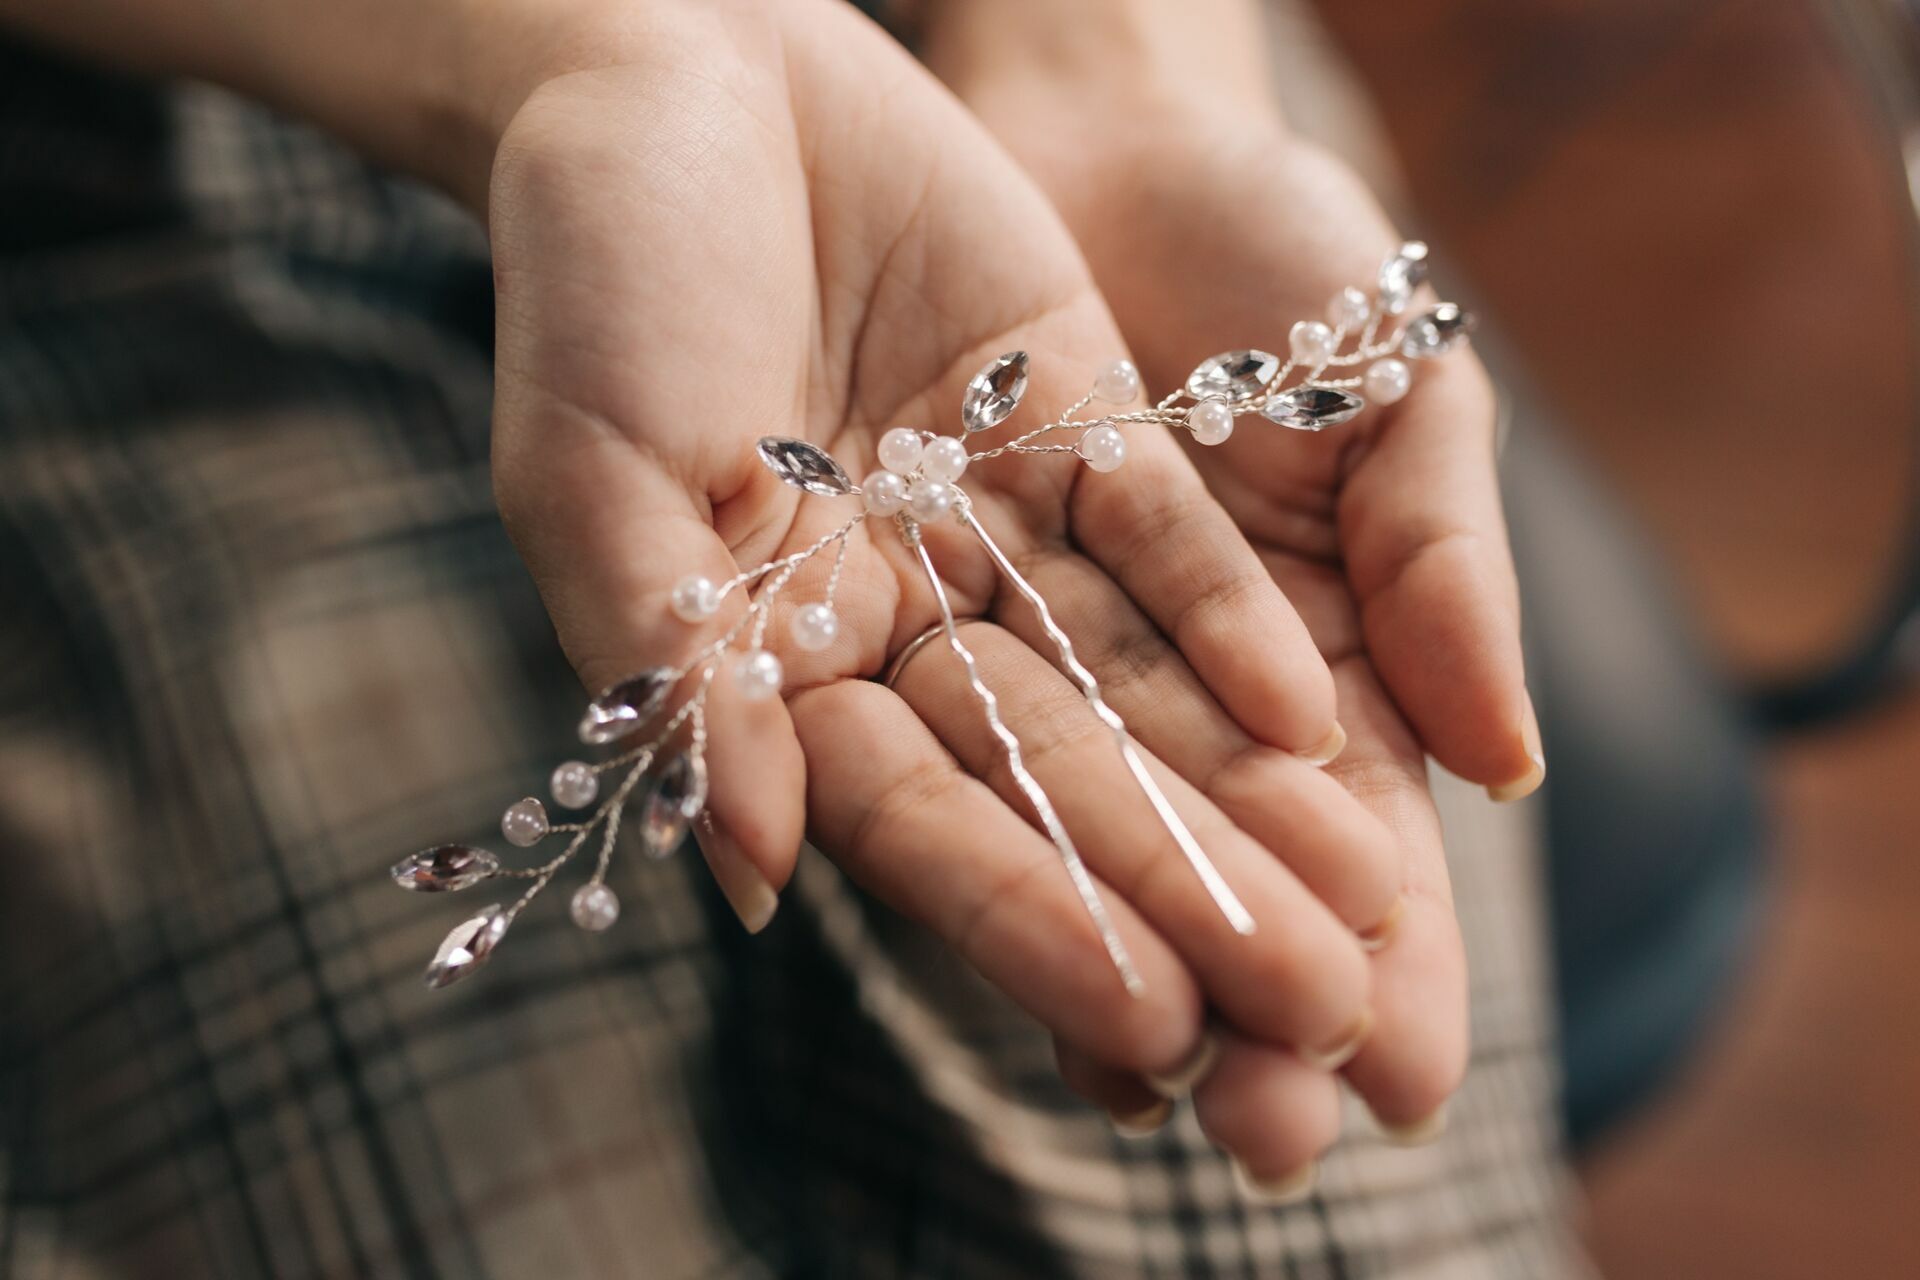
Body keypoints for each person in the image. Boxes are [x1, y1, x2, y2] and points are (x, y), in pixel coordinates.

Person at [0, 0, 1578, 1274]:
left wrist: (1116, 70)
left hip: (964, 85)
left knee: (1299, 1214)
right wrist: (600, 44)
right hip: (114, 208)